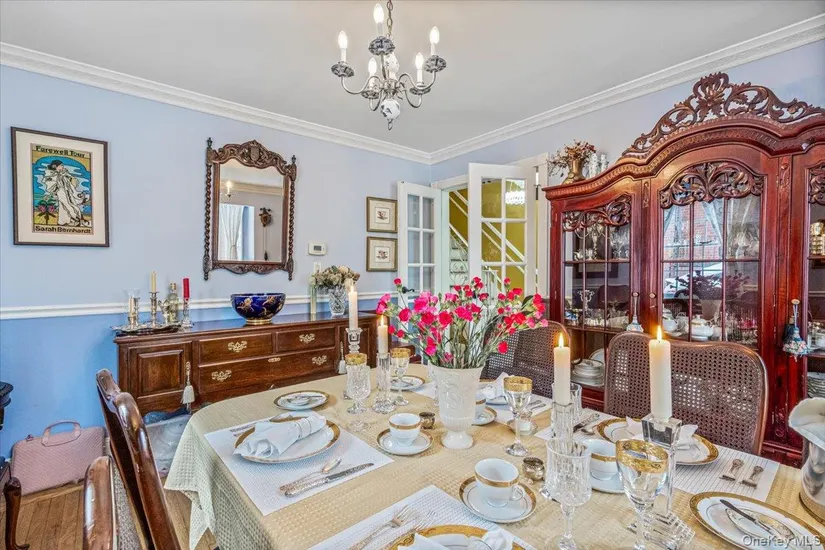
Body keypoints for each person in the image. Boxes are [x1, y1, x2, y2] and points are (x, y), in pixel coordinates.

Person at [40, 159, 89, 227]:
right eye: (61, 165)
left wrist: (71, 180)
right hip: (60, 191)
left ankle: (64, 222)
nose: (63, 166)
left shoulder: (64, 173)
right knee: (69, 205)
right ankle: (78, 218)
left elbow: (70, 183)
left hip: (67, 190)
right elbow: (50, 183)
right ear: (55, 166)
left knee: (64, 206)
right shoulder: (51, 174)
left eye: (62, 165)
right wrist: (60, 178)